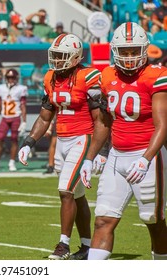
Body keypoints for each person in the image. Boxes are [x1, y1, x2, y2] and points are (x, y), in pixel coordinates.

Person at [79, 22, 167, 260]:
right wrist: (91, 157)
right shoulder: (107, 75)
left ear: (145, 49)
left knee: (153, 220)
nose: (129, 57)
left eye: (134, 50)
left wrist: (145, 159)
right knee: (104, 219)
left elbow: (163, 125)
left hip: (148, 154)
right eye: (124, 51)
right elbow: (104, 122)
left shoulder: (156, 76)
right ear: (115, 51)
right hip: (117, 155)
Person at [18, 33, 104, 260]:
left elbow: (100, 119)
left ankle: (63, 244)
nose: (56, 60)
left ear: (75, 57)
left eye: (62, 56)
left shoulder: (89, 76)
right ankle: (86, 246)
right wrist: (29, 141)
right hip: (62, 140)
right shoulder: (51, 78)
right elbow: (45, 117)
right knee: (77, 196)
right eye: (55, 55)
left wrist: (100, 151)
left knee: (65, 191)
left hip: (82, 138)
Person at [0, 68, 27, 172]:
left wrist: (24, 121)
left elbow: (23, 106)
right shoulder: (1, 88)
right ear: (6, 78)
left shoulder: (21, 88)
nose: (11, 79)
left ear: (16, 78)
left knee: (14, 140)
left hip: (15, 117)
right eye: (9, 77)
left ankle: (12, 162)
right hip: (5, 117)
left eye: (13, 77)